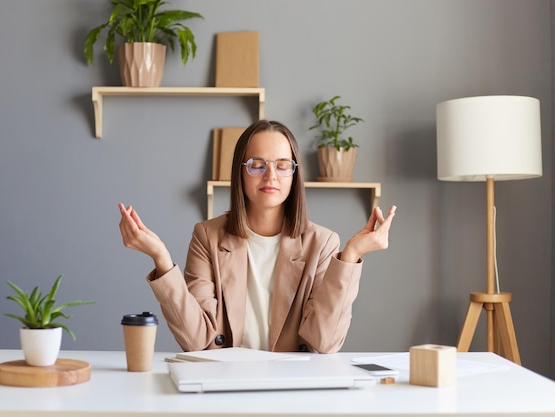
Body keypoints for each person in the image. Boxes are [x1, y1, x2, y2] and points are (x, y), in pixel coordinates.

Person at [118, 119, 396, 354]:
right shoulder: (207, 236)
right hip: (224, 387)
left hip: (292, 390)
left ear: (294, 173)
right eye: (257, 164)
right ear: (240, 171)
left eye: (283, 165)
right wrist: (162, 260)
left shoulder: (322, 243)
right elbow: (196, 340)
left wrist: (350, 256)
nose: (270, 176)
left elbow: (324, 343)